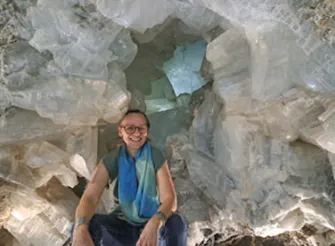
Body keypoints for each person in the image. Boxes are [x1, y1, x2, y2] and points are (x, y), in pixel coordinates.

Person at [71, 109, 187, 246]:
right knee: (82, 227)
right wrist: (81, 227)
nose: (136, 133)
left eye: (141, 128)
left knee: (176, 223)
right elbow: (91, 196)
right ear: (120, 131)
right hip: (121, 227)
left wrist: (156, 221)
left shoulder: (155, 156)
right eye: (130, 128)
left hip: (151, 225)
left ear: (147, 131)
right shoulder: (111, 159)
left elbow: (170, 199)